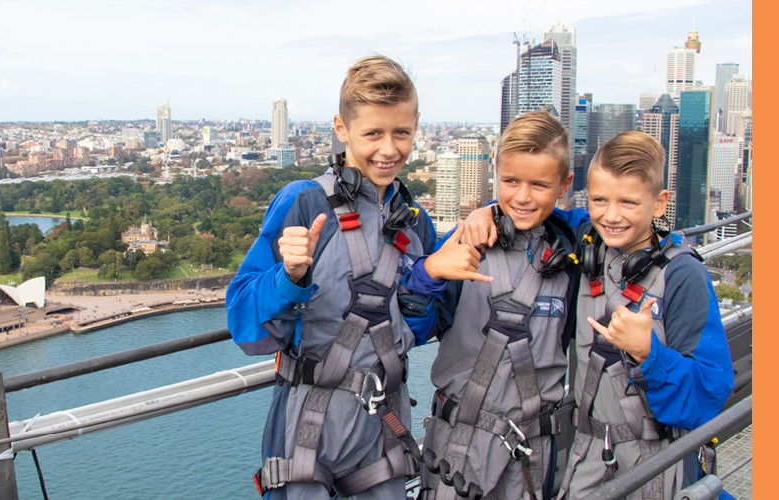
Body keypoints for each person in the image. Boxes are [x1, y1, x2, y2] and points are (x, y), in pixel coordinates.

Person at [460, 131, 734, 499]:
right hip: (588, 460)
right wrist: (487, 212)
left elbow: (709, 394)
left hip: (658, 465)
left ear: (659, 203)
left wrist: (649, 354)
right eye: (599, 200)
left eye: (629, 203)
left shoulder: (683, 276)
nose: (611, 216)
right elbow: (532, 208)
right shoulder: (587, 244)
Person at [227, 54, 445, 500]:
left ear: (417, 126)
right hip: (310, 424)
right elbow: (241, 320)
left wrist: (427, 285)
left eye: (401, 132)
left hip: (383, 425)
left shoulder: (414, 222)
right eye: (373, 134)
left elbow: (416, 332)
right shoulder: (305, 203)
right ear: (341, 130)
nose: (389, 149)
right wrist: (289, 276)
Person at [405, 111, 585, 499]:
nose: (522, 196)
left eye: (540, 184)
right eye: (510, 181)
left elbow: (617, 220)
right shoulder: (465, 241)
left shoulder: (572, 246)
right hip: (458, 445)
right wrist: (428, 275)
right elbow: (414, 329)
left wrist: (489, 207)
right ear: (495, 174)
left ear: (565, 184)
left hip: (533, 454)